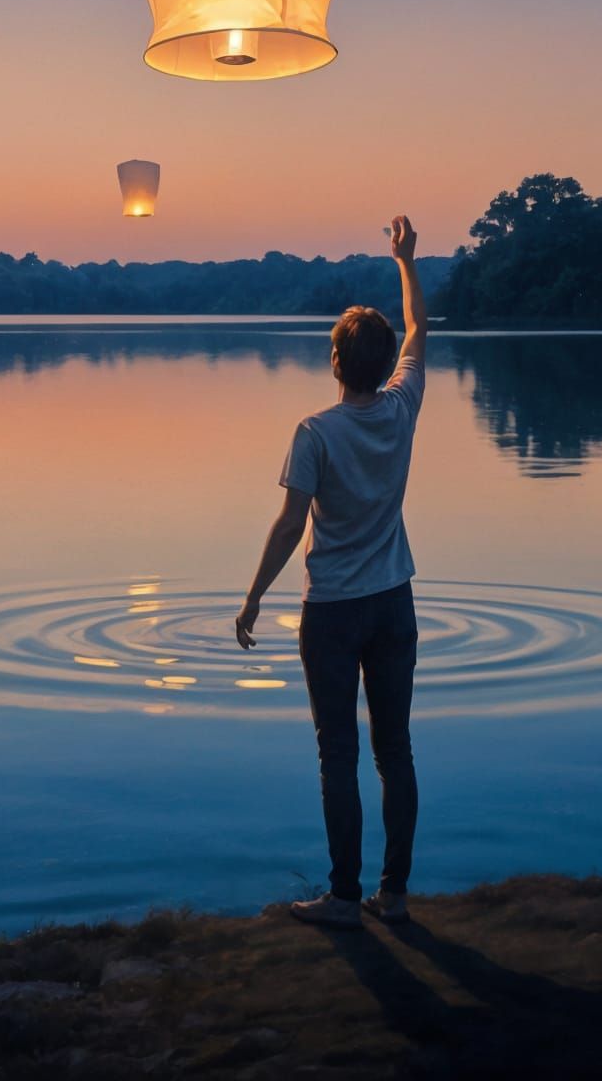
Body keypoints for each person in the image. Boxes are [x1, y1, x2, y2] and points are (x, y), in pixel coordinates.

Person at [235, 216, 428, 929]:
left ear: (336, 365)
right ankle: (396, 895)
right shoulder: (403, 409)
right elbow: (418, 331)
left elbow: (290, 525)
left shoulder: (315, 432)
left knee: (338, 755)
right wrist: (405, 263)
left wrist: (253, 597)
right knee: (395, 749)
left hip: (335, 613)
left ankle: (346, 899)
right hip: (394, 604)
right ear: (381, 367)